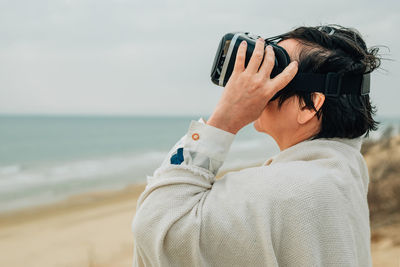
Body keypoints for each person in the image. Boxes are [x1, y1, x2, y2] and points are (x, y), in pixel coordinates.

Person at [131, 24, 381, 266]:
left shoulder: (285, 192)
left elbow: (158, 226)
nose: (258, 83)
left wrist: (223, 120)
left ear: (309, 105)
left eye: (274, 70)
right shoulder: (346, 170)